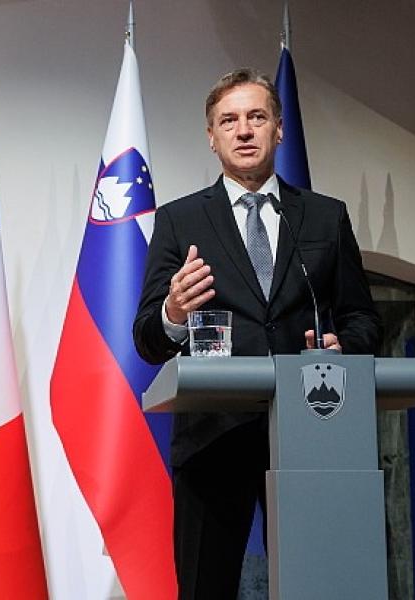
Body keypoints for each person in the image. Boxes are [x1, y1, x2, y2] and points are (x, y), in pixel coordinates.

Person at [132, 68, 381, 598]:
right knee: (206, 587)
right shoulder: (179, 221)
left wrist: (345, 347)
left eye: (256, 117)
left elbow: (363, 319)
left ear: (279, 129)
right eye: (229, 120)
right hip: (213, 436)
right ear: (212, 136)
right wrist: (174, 310)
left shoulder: (324, 217)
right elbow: (148, 340)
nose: (243, 130)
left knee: (320, 586)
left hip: (309, 433)